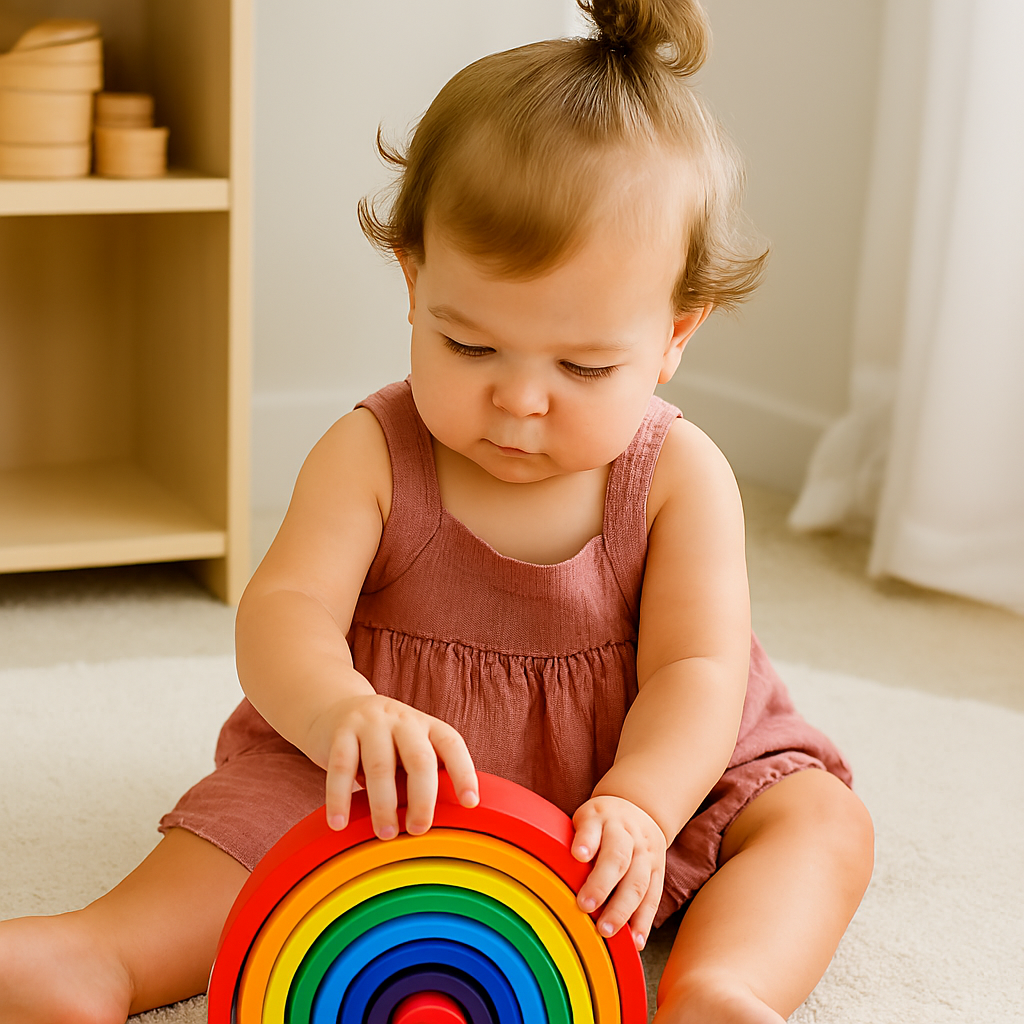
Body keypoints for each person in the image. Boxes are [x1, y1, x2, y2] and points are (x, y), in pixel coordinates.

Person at [0, 2, 873, 1022]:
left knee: (814, 819)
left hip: (631, 780)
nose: (520, 399)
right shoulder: (372, 451)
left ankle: (721, 986)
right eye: (470, 347)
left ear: (676, 335)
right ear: (414, 284)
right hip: (392, 777)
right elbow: (282, 611)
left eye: (585, 366)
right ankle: (96, 956)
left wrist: (644, 801)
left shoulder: (679, 474)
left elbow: (697, 670)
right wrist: (339, 712)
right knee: (253, 828)